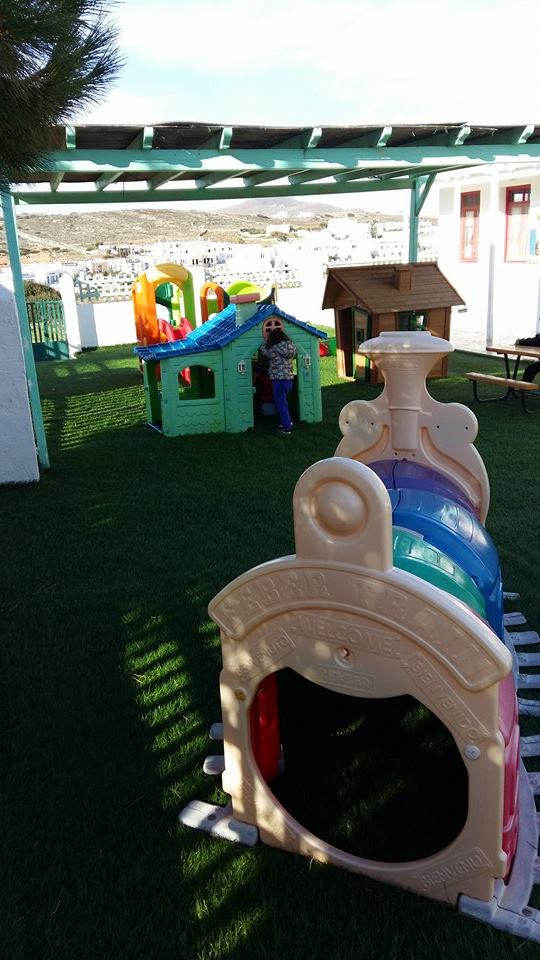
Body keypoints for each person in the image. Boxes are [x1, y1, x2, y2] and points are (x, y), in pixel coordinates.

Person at [259, 328, 297, 434]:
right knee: (283, 403)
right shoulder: (291, 347)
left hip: (278, 381)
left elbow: (263, 351)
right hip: (288, 381)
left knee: (281, 404)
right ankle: (287, 421)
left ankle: (286, 428)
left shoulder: (274, 350)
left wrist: (264, 341)